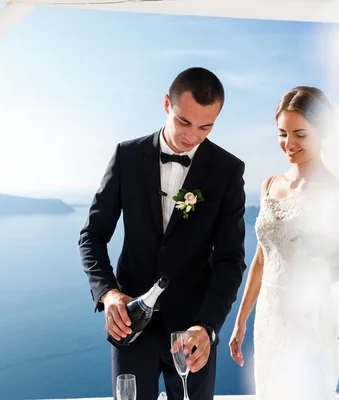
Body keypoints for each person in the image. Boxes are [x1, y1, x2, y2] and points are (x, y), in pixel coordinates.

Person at [228, 86, 339, 399]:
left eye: (300, 134)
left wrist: (334, 268)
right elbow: (262, 258)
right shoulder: (269, 185)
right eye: (282, 133)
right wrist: (241, 320)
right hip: (269, 320)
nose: (289, 144)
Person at [79, 67, 247, 400]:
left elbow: (230, 261)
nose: (191, 136)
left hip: (192, 335)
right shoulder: (126, 156)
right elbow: (92, 236)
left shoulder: (229, 171)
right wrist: (108, 293)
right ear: (167, 104)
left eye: (205, 127)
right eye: (185, 122)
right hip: (130, 328)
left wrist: (207, 327)